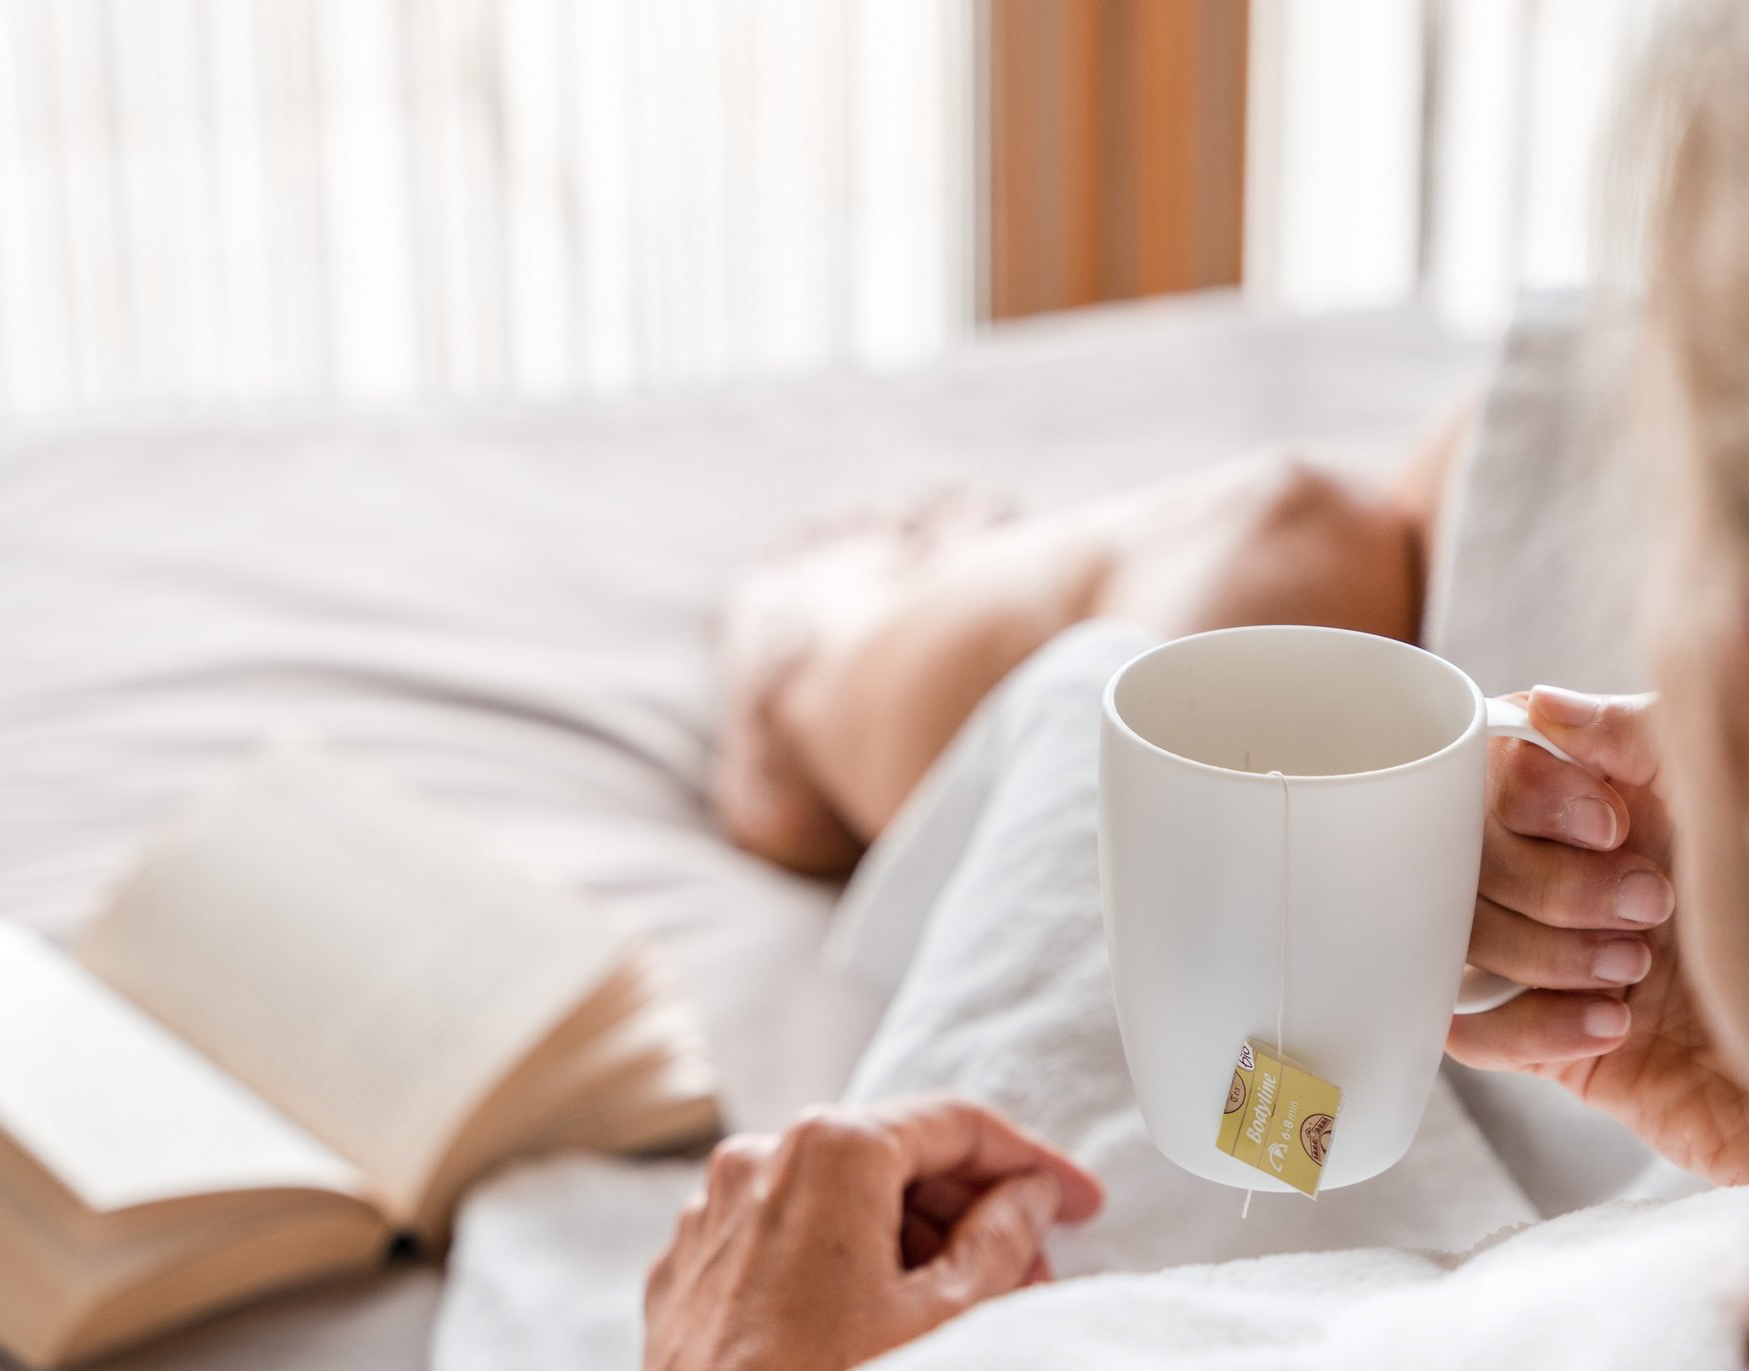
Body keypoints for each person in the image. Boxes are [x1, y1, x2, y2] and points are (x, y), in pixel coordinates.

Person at [645, 1, 1749, 1367]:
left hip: (1388, 1153)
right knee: (1315, 544)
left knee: (1228, 602)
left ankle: (809, 680)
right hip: (1649, 1064)